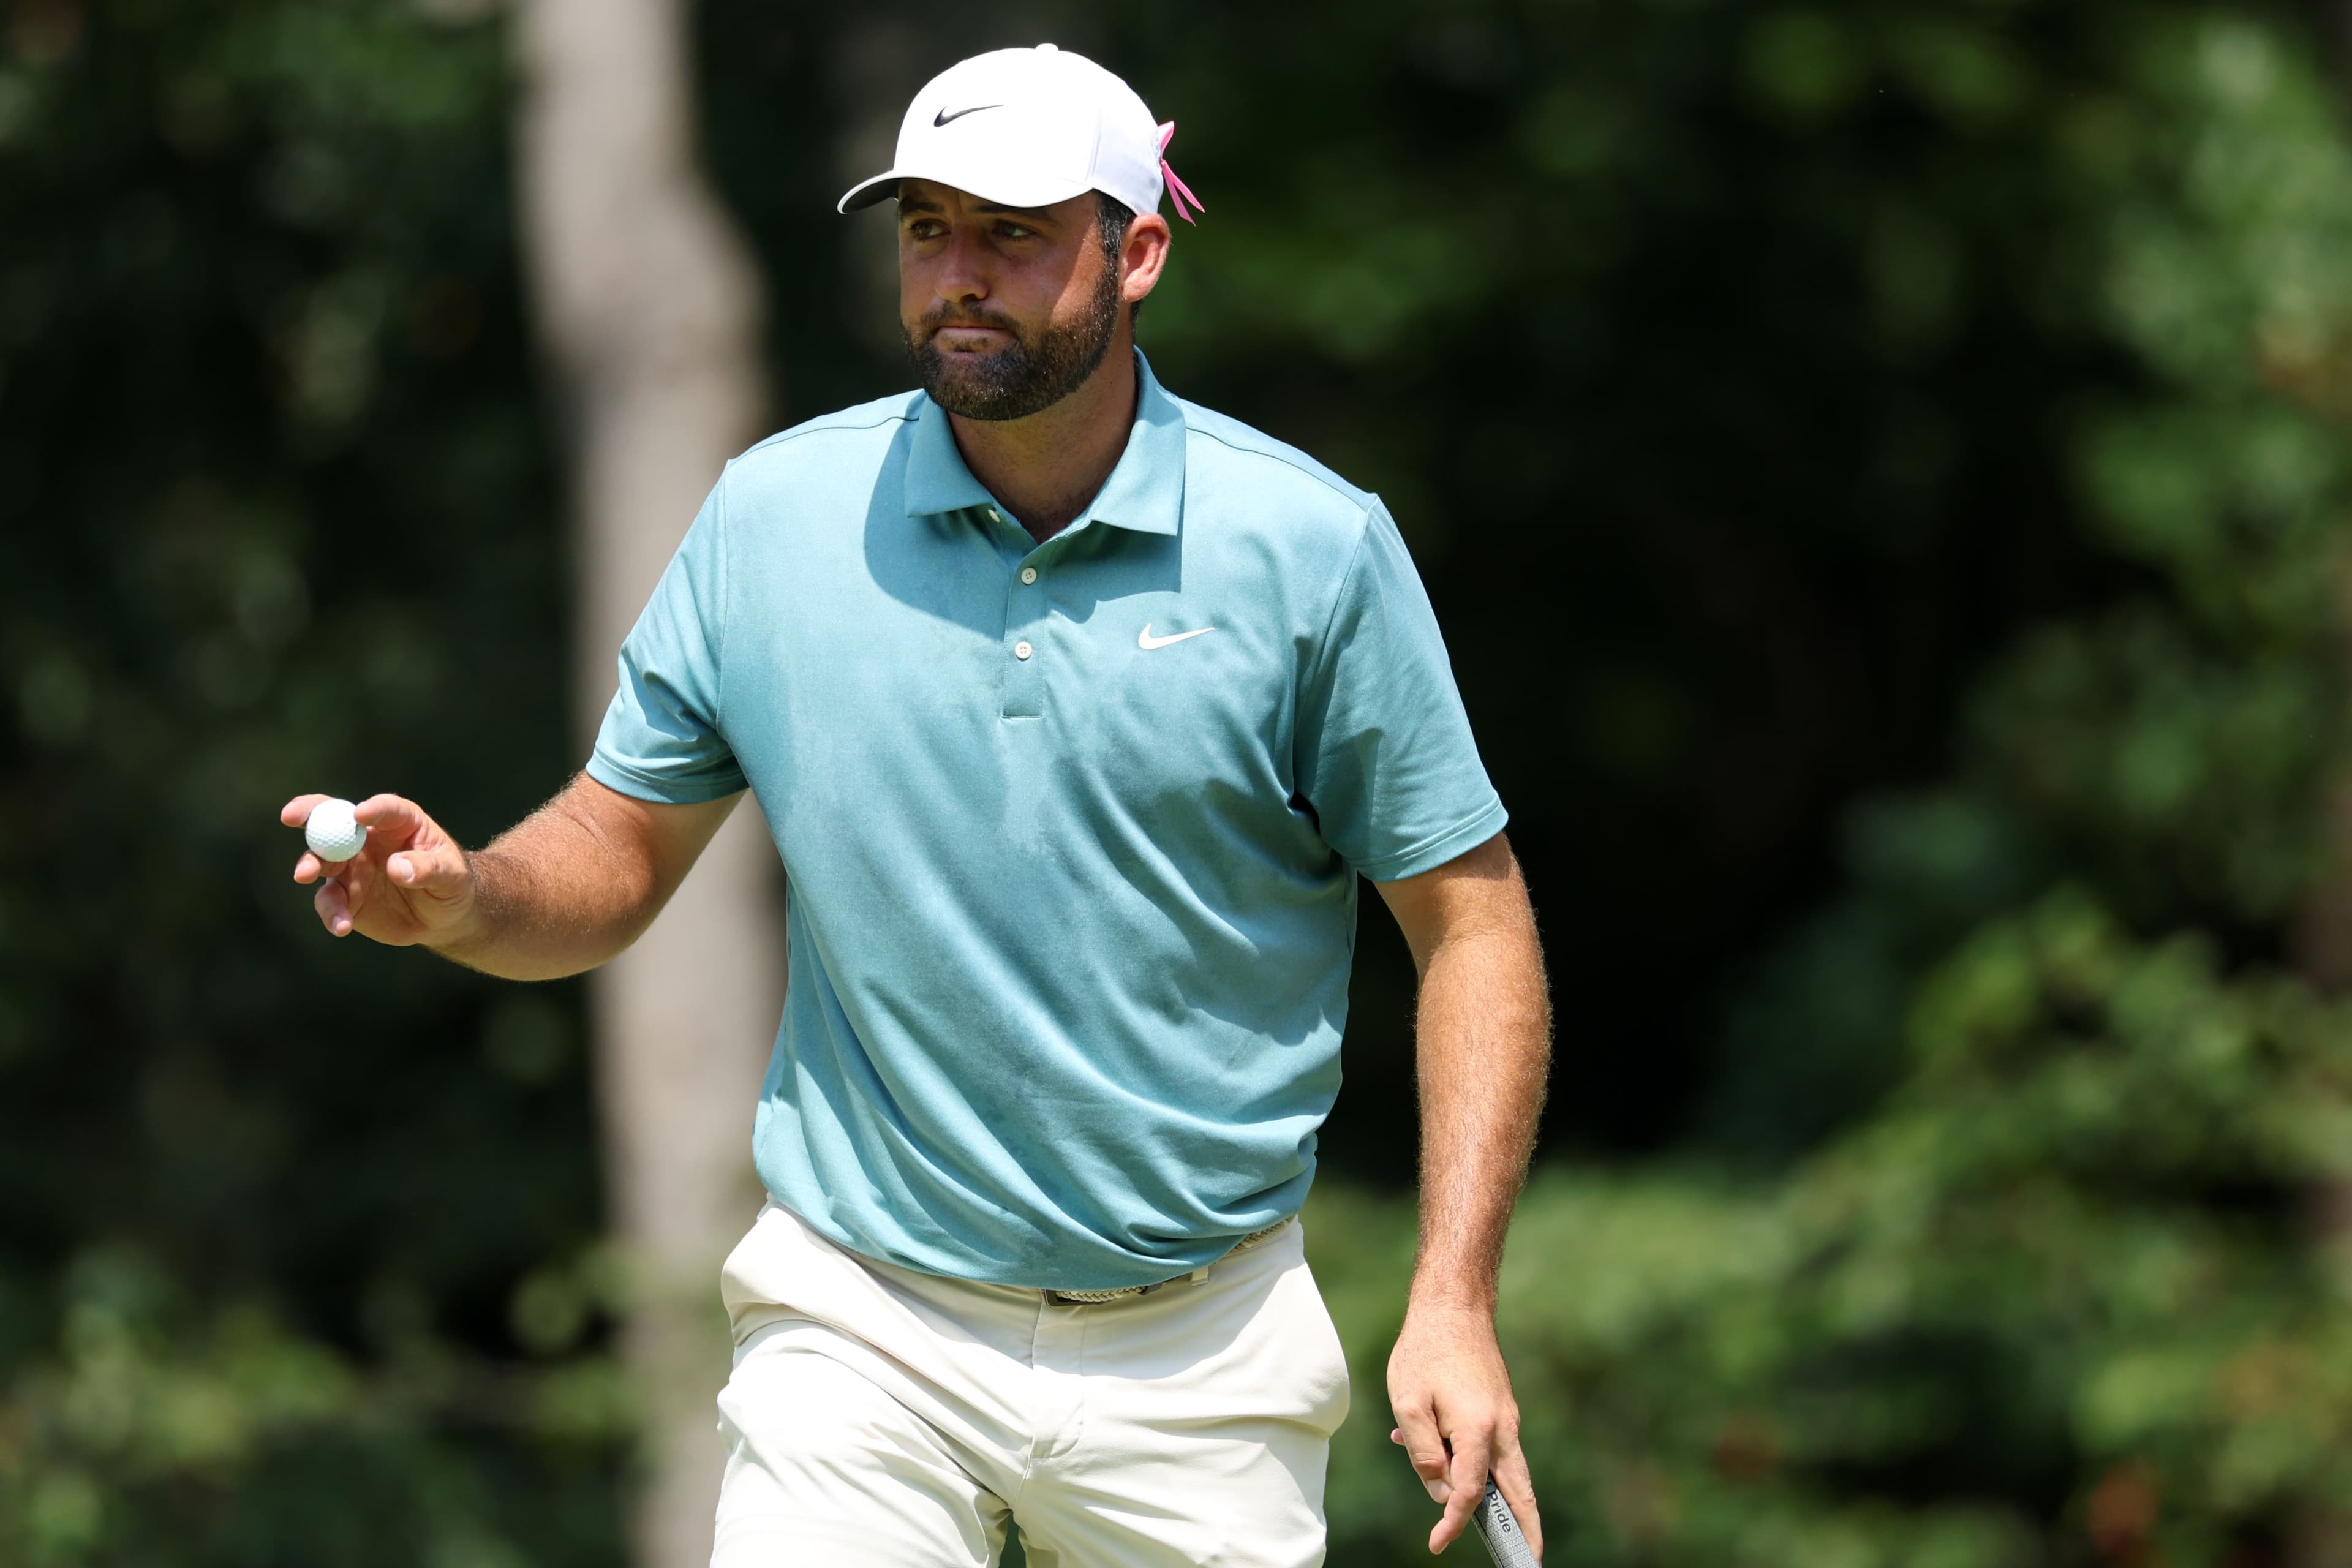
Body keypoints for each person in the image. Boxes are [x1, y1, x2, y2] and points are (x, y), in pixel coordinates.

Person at [282, 42, 1551, 1568]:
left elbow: (1471, 922)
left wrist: (1454, 1297)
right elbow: (619, 848)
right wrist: (470, 892)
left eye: (1013, 232)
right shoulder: (774, 517)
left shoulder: (1313, 550)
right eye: (926, 228)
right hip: (862, 1315)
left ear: (1136, 251)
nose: (960, 275)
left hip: (1199, 1341)